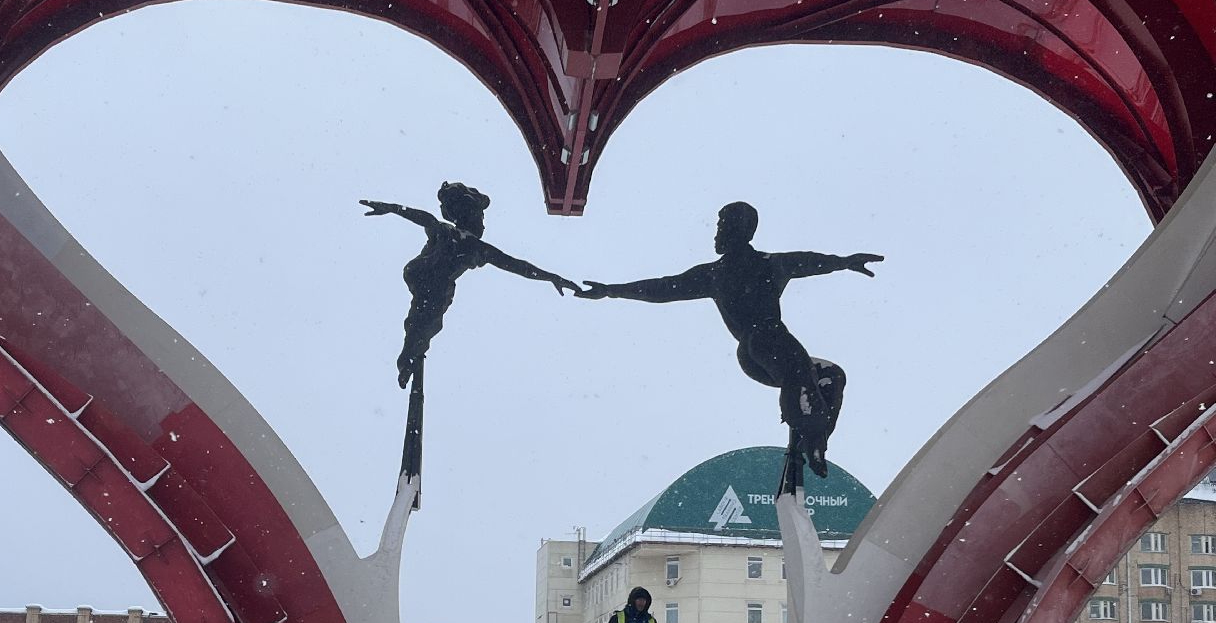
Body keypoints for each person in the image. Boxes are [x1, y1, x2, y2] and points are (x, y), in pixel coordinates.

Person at [578, 202, 882, 478]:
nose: (717, 234)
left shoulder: (765, 264)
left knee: (831, 374)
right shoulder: (719, 273)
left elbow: (809, 262)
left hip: (768, 348)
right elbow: (662, 288)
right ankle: (809, 431)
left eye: (722, 226)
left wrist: (843, 262)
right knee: (794, 364)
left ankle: (814, 439)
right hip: (759, 344)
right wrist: (611, 289)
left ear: (741, 230)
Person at [360, 182, 580, 389]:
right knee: (426, 316)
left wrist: (551, 277)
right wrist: (392, 208)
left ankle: (411, 354)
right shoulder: (454, 236)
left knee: (427, 319)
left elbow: (517, 266)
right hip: (427, 274)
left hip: (431, 280)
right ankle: (409, 357)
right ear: (469, 213)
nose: (483, 222)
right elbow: (425, 219)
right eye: (480, 215)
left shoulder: (475, 246)